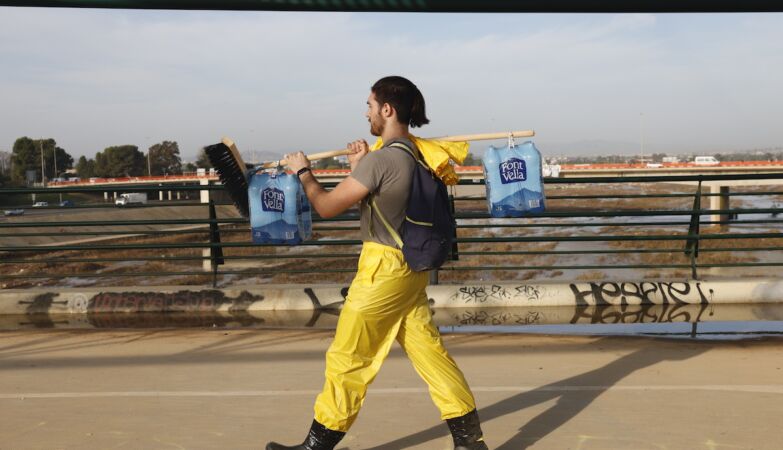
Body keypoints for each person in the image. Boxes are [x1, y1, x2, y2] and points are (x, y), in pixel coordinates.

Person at [266, 76, 488, 450]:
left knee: (349, 356)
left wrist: (303, 172)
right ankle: (470, 441)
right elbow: (384, 204)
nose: (366, 114)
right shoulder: (416, 155)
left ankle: (317, 445)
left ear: (387, 109)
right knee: (429, 353)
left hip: (382, 270)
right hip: (412, 268)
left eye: (369, 106)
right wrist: (359, 164)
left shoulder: (383, 160)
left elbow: (325, 205)